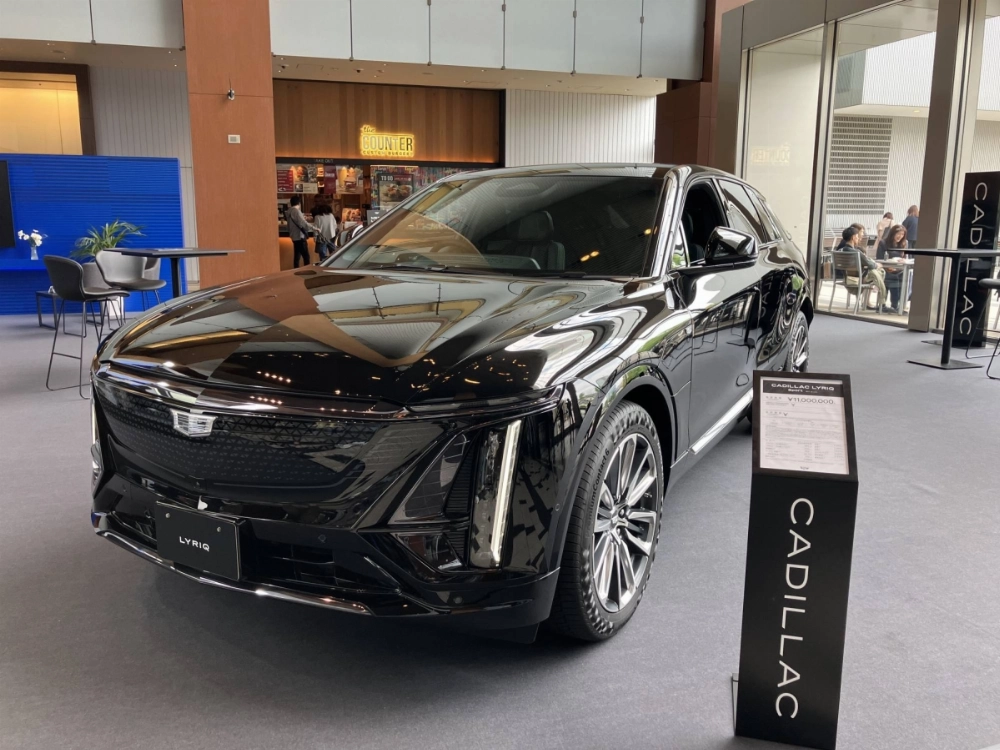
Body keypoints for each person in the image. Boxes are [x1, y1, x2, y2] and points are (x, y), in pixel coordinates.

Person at [836, 226, 889, 312]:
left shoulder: (840, 251)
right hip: (858, 280)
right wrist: (877, 265)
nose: (859, 238)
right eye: (857, 236)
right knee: (878, 271)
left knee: (875, 272)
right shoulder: (857, 252)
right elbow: (870, 265)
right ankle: (881, 301)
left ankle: (877, 297)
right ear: (853, 237)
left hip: (847, 279)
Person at [876, 224, 909, 311]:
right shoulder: (883, 243)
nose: (900, 236)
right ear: (892, 233)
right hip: (886, 269)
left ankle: (897, 305)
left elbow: (906, 258)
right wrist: (889, 267)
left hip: (900, 269)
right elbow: (879, 258)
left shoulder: (905, 244)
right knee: (893, 277)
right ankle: (892, 305)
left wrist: (903, 261)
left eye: (902, 234)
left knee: (904, 277)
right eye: (898, 234)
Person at [286, 195, 316, 268]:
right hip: (299, 236)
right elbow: (303, 223)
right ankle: (307, 270)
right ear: (299, 203)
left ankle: (295, 270)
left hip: (294, 236)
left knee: (297, 256)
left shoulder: (288, 211)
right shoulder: (296, 211)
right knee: (306, 257)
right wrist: (314, 228)